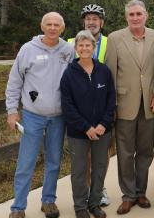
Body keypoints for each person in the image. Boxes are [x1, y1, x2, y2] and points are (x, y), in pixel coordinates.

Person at [5, 12, 74, 218]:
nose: (52, 28)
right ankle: (18, 207)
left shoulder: (68, 51)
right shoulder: (28, 49)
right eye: (49, 24)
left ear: (62, 28)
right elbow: (14, 81)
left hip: (59, 117)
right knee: (26, 162)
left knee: (54, 161)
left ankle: (48, 201)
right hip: (32, 116)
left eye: (56, 25)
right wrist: (11, 111)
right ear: (42, 26)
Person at [105, 0, 154, 215]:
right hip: (123, 105)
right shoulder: (115, 38)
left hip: (150, 104)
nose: (136, 18)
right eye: (132, 15)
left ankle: (141, 192)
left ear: (146, 15)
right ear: (126, 17)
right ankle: (128, 195)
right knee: (125, 152)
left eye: (139, 14)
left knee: (146, 152)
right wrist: (110, 106)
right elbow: (109, 74)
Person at [61, 30, 115, 218]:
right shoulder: (68, 74)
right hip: (79, 132)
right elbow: (67, 106)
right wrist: (86, 127)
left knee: (100, 167)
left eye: (88, 45)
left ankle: (94, 203)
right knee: (79, 170)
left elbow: (111, 100)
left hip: (102, 130)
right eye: (81, 45)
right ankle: (80, 207)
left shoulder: (104, 71)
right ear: (76, 48)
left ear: (94, 47)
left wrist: (103, 123)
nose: (84, 48)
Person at [68, 4, 111, 207]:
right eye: (88, 18)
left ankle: (99, 190)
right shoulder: (70, 43)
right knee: (82, 156)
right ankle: (84, 192)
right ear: (83, 22)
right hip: (80, 110)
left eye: (95, 18)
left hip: (103, 108)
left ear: (101, 22)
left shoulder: (111, 43)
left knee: (101, 156)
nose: (91, 21)